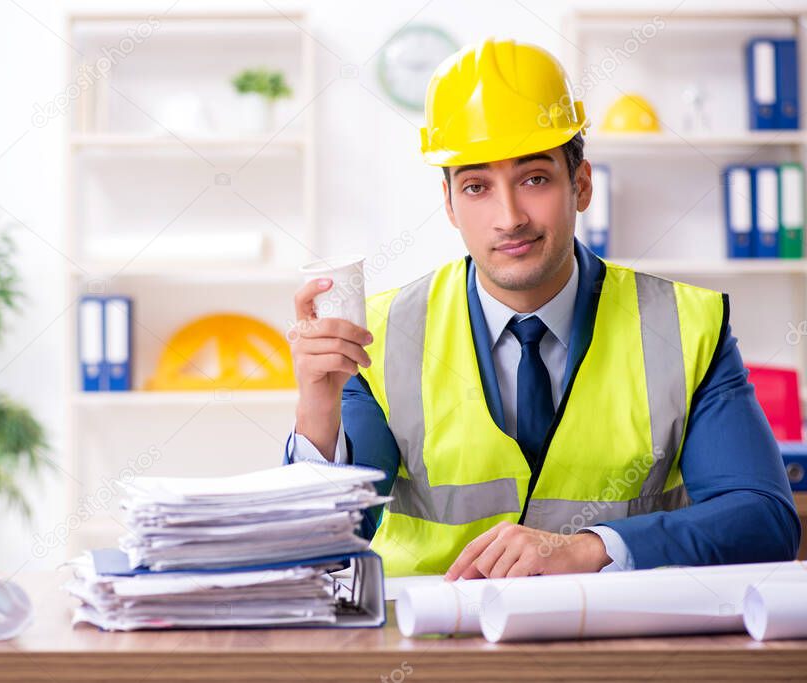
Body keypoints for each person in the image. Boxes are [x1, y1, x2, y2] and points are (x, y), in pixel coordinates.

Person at [284, 38, 801, 579]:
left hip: (618, 648)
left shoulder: (687, 327)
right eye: (478, 186)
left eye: (534, 179)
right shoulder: (382, 338)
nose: (509, 217)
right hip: (436, 647)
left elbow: (763, 522)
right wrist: (317, 411)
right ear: (450, 205)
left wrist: (590, 548)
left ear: (580, 185)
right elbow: (321, 549)